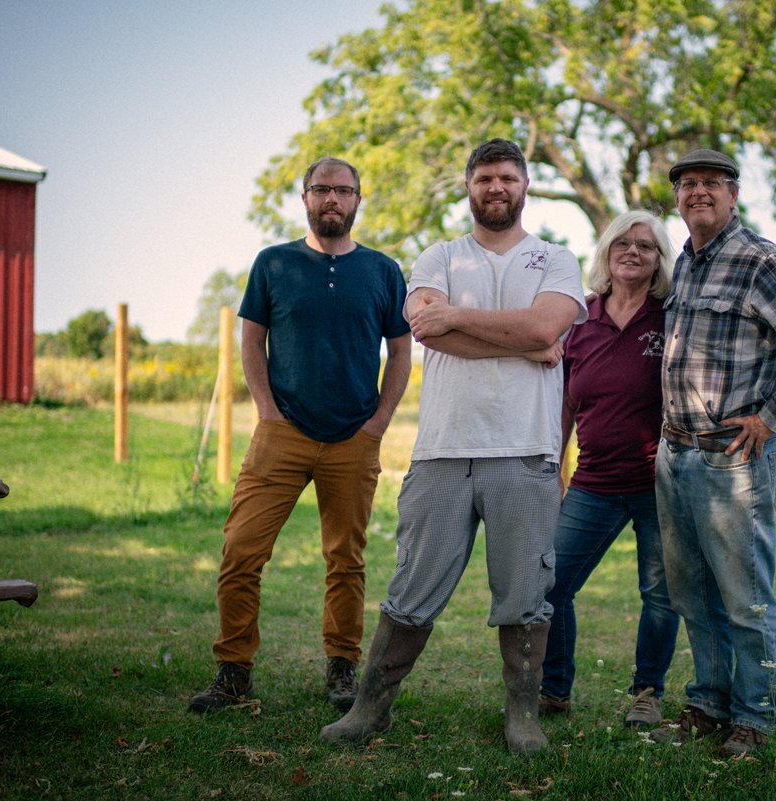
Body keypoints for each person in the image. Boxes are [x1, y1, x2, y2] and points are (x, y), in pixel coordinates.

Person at [319, 138, 587, 754]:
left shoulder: (556, 259)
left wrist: (475, 323)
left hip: (526, 452)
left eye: (508, 178)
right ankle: (369, 707)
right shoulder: (438, 256)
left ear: (525, 187)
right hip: (441, 452)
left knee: (526, 593)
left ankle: (522, 714)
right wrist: (523, 343)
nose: (496, 188)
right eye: (485, 178)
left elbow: (546, 326)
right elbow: (429, 330)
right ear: (469, 187)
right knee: (412, 586)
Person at [188, 157, 412, 714]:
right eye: (321, 190)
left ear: (359, 199)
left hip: (353, 438)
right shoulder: (273, 264)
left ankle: (342, 669)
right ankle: (233, 672)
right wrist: (267, 410)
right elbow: (251, 341)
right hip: (281, 434)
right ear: (305, 198)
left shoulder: (383, 271)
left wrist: (378, 422)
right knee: (241, 551)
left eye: (343, 190)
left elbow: (402, 350)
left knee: (346, 560)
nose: (332, 199)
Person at [649, 149, 776, 755]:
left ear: (733, 195)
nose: (698, 192)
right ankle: (708, 703)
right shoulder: (684, 261)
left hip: (730, 460)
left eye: (711, 183)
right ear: (677, 198)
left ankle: (754, 719)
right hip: (676, 454)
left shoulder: (757, 260)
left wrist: (772, 416)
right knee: (692, 593)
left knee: (744, 596)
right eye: (687, 185)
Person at [537, 210, 680, 728]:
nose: (632, 252)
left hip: (659, 485)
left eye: (645, 245)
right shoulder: (580, 319)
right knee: (551, 585)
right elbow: (565, 406)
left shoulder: (671, 316)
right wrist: (555, 465)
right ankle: (554, 690)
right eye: (622, 242)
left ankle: (647, 692)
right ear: (606, 252)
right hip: (592, 483)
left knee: (661, 595)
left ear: (659, 260)